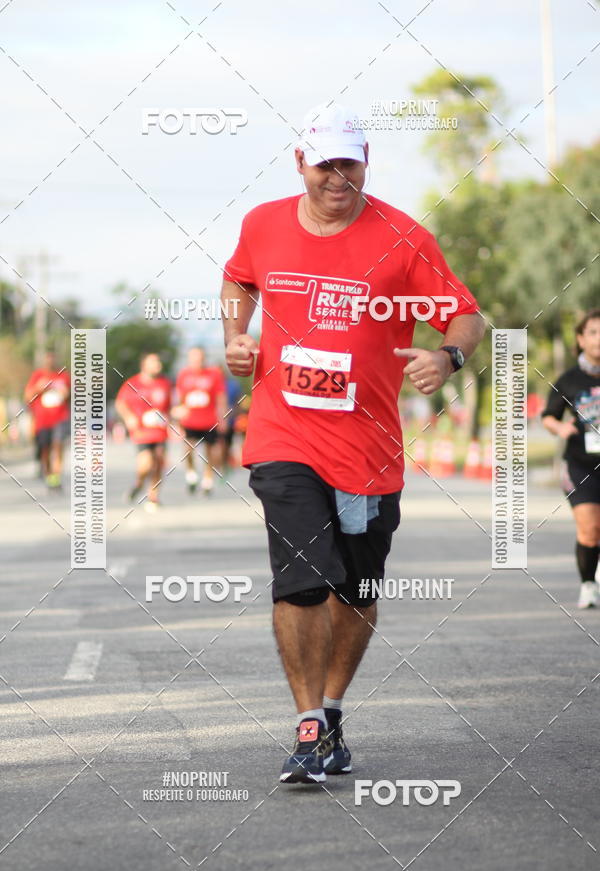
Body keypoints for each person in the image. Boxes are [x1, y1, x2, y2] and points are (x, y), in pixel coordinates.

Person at [221, 102, 486, 784]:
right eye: (325, 163)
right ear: (300, 163)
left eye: (350, 163)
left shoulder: (402, 235)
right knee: (303, 579)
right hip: (283, 433)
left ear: (366, 162)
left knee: (356, 586)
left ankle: (333, 712)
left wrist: (448, 358)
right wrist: (234, 337)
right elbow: (238, 278)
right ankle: (307, 727)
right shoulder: (264, 224)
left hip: (367, 446)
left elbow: (465, 314)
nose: (338, 177)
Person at [542, 309, 600, 609]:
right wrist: (560, 427)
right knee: (590, 527)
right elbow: (548, 417)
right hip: (581, 464)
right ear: (580, 338)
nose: (599, 337)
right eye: (593, 331)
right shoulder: (569, 380)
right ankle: (588, 584)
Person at [115, 352, 172, 512]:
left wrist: (173, 417)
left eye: (158, 361)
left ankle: (153, 496)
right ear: (144, 365)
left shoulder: (165, 383)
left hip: (159, 430)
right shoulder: (132, 383)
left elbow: (170, 406)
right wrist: (129, 417)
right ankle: (138, 484)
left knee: (159, 461)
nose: (158, 364)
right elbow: (121, 403)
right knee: (146, 464)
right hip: (141, 431)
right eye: (154, 361)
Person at [173, 347, 226, 494]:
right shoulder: (184, 374)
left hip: (209, 420)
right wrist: (177, 413)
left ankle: (207, 480)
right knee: (188, 448)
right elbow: (179, 396)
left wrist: (222, 418)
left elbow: (220, 397)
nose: (197, 360)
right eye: (194, 357)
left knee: (211, 452)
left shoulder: (214, 374)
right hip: (190, 420)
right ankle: (191, 474)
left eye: (200, 357)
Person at [24, 349, 70, 489]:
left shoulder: (64, 376)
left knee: (58, 445)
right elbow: (27, 396)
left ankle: (56, 475)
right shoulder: (37, 376)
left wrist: (66, 393)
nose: (51, 361)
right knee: (45, 449)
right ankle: (49, 474)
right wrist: (39, 388)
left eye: (53, 358)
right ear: (44, 360)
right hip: (42, 420)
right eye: (48, 358)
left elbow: (73, 396)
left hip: (60, 417)